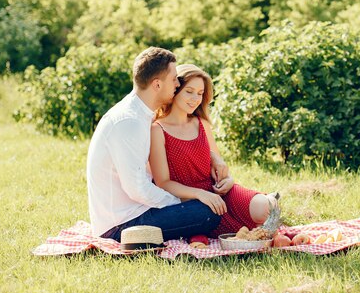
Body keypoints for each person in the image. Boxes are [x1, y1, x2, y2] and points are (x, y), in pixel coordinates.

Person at [86, 48, 223, 241]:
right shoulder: (129, 122)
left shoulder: (139, 114)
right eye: (174, 79)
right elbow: (137, 189)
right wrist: (181, 201)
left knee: (206, 205)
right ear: (157, 84)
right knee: (208, 213)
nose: (177, 84)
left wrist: (213, 158)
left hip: (136, 210)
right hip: (121, 225)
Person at [149, 64, 278, 237]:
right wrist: (200, 194)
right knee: (236, 229)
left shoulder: (201, 123)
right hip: (194, 202)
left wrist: (228, 181)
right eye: (189, 91)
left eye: (200, 93)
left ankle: (270, 199)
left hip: (218, 192)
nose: (195, 98)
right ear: (175, 90)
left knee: (266, 209)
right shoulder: (157, 130)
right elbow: (163, 182)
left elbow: (219, 166)